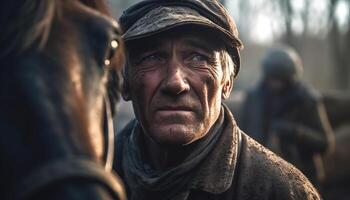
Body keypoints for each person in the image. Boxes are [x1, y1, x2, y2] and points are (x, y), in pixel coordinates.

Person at [114, 1, 321, 199]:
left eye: (198, 58)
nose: (175, 83)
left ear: (227, 83)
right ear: (125, 83)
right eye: (152, 57)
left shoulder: (284, 192)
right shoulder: (90, 181)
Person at [240, 46, 334, 189]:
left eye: (281, 80)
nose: (276, 84)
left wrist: (294, 132)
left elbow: (325, 143)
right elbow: (241, 131)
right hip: (259, 175)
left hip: (302, 178)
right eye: (273, 78)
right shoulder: (254, 98)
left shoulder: (307, 100)